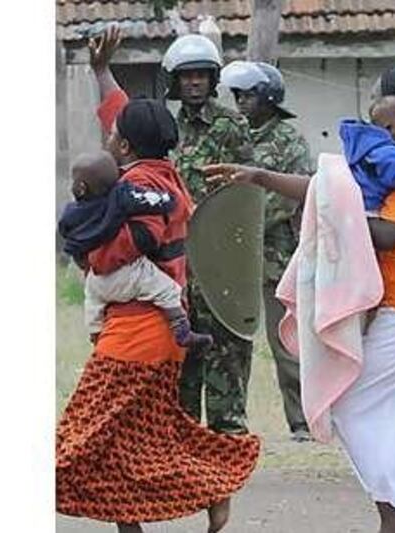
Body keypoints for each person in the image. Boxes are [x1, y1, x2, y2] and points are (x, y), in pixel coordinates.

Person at [203, 64, 395, 533]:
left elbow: (387, 233)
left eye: (381, 98)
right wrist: (261, 177)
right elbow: (331, 192)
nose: (371, 105)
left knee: (347, 401)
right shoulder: (392, 150)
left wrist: (331, 213)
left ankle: (393, 519)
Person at [56, 96, 260, 533]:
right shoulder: (161, 175)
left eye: (113, 134)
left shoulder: (145, 187)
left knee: (83, 435)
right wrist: (104, 74)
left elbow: (130, 246)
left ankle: (213, 481)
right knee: (131, 440)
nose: (108, 136)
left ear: (126, 146)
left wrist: (88, 249)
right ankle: (173, 508)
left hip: (138, 329)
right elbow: (127, 120)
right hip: (149, 327)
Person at [85, 25, 256, 435]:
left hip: (219, 274)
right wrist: (102, 70)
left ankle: (222, 486)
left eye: (201, 74)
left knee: (226, 390)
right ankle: (182, 490)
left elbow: (248, 198)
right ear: (174, 81)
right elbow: (120, 115)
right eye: (186, 75)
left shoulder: (232, 126)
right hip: (174, 275)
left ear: (213, 79)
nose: (194, 81)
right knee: (177, 402)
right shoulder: (163, 128)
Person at [220, 60, 313, 441]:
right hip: (228, 257)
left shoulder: (290, 142)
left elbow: (285, 202)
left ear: (269, 99)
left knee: (287, 343)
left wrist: (242, 220)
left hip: (274, 259)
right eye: (237, 95)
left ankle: (304, 423)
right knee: (227, 343)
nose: (241, 101)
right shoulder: (230, 135)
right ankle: (229, 421)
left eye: (249, 95)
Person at [58, 150, 212, 349]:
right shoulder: (122, 195)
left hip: (97, 280)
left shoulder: (71, 214)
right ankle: (181, 330)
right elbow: (150, 201)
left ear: (80, 188)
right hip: (129, 273)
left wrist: (85, 263)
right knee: (167, 290)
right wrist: (169, 200)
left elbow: (71, 243)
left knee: (92, 304)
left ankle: (97, 337)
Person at [339, 95, 395, 214]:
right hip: (369, 205)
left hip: (353, 199)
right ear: (389, 127)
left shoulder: (365, 144)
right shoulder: (388, 151)